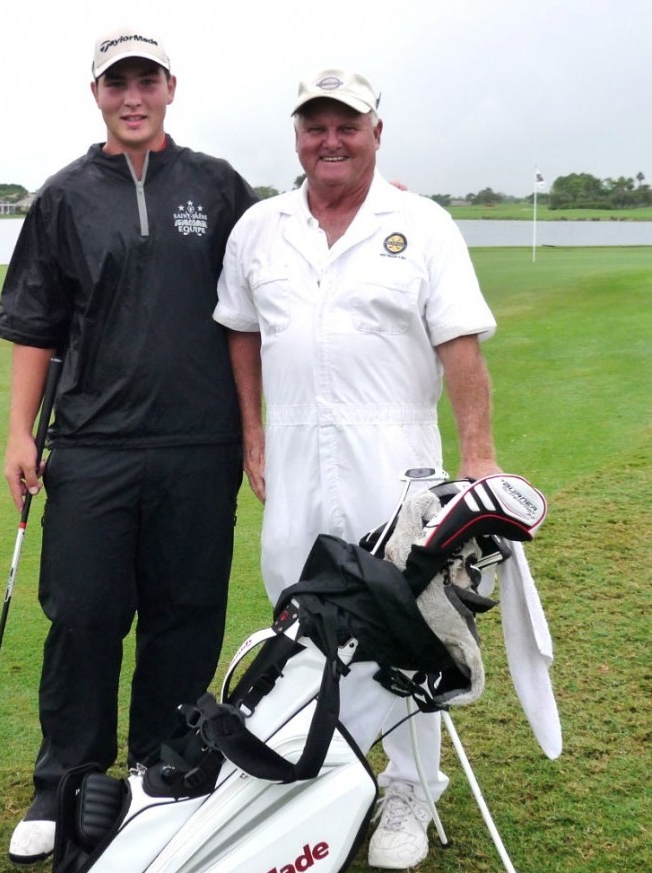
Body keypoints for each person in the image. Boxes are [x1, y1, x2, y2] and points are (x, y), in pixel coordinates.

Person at [214, 69, 501, 870]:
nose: (330, 140)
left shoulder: (422, 223)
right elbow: (240, 329)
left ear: (378, 131)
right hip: (298, 457)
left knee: (404, 626)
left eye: (348, 124)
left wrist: (477, 458)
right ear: (297, 136)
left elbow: (461, 347)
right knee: (300, 617)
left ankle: (411, 786)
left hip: (396, 457)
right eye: (315, 126)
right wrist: (253, 432)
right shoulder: (260, 229)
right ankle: (321, 772)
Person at [0, 26, 257, 865]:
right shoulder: (65, 196)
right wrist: (15, 434)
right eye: (117, 83)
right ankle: (64, 781)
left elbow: (274, 269)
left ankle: (162, 766)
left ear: (171, 87)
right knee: (82, 616)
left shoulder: (219, 188)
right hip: (94, 442)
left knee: (184, 614)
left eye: (146, 80)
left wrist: (375, 197)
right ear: (97, 94)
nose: (132, 96)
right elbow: (35, 326)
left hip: (197, 440)